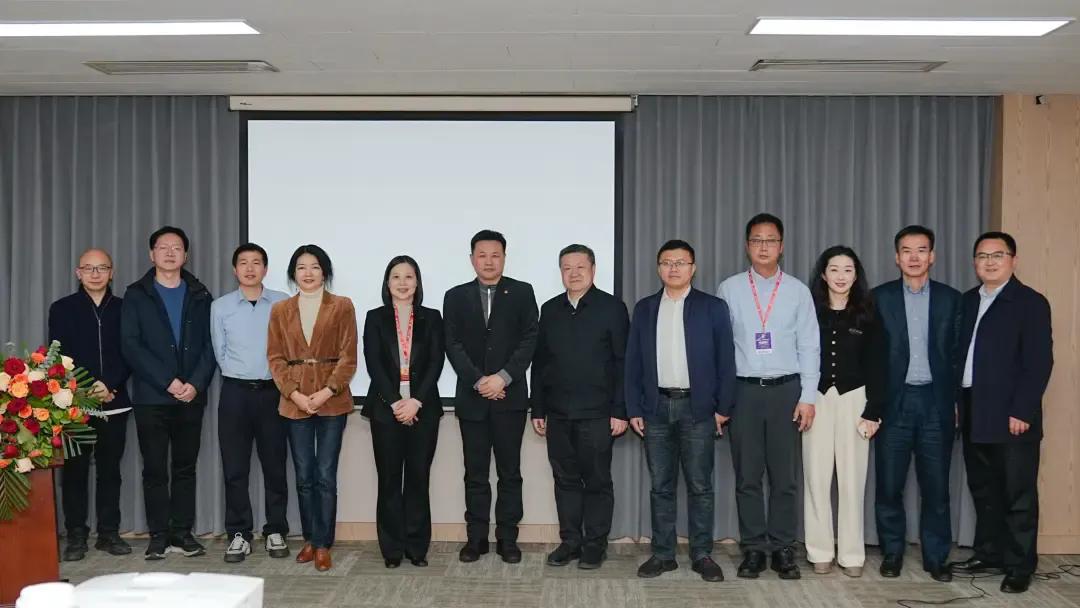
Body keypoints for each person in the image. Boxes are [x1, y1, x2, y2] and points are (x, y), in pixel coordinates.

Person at [948, 232, 1052, 594]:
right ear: (974, 262)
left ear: (1013, 260)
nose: (989, 262)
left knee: (1017, 493)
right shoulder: (967, 301)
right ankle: (990, 553)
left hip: (1012, 415)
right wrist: (957, 405)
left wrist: (1023, 410)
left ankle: (1020, 565)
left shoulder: (1030, 302)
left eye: (998, 255)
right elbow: (958, 357)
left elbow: (1038, 362)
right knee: (984, 489)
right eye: (982, 256)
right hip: (973, 408)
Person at [626, 239, 735, 582]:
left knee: (700, 486)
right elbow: (632, 362)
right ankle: (663, 554)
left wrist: (723, 407)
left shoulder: (712, 307)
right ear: (658, 268)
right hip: (655, 407)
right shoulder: (645, 309)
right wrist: (633, 407)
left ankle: (702, 554)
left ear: (693, 268)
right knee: (661, 485)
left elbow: (726, 361)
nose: (673, 268)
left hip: (698, 409)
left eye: (680, 262)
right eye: (667, 262)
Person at [718, 213, 819, 580]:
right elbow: (721, 349)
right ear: (747, 246)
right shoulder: (729, 289)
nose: (764, 247)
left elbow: (810, 345)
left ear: (782, 246)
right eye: (757, 240)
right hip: (743, 392)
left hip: (786, 391)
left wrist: (808, 396)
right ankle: (754, 549)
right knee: (747, 476)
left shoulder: (797, 291)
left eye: (770, 240)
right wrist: (721, 400)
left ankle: (782, 548)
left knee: (784, 477)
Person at [530, 244, 629, 570]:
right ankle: (570, 541)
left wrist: (620, 410)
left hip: (598, 414)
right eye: (566, 268)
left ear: (593, 270)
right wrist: (538, 408)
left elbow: (623, 363)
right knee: (565, 481)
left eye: (580, 267)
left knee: (597, 481)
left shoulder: (612, 308)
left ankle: (594, 545)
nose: (573, 274)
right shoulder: (550, 309)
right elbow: (540, 363)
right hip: (558, 413)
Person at [443, 229, 538, 564]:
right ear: (472, 259)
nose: (488, 261)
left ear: (504, 258)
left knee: (510, 473)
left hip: (510, 398)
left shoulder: (523, 292)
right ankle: (476, 539)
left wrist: (502, 378)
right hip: (472, 400)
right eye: (482, 255)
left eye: (495, 255)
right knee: (475, 474)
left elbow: (530, 339)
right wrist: (479, 381)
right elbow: (452, 344)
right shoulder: (455, 296)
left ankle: (508, 539)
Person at [121, 226, 216, 560]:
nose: (170, 252)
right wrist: (168, 382)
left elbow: (211, 345)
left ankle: (182, 533)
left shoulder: (200, 294)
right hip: (152, 398)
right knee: (155, 469)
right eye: (163, 247)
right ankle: (158, 535)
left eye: (177, 247)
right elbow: (131, 345)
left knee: (185, 468)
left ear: (185, 255)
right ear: (152, 254)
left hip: (191, 396)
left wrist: (195, 384)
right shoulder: (136, 294)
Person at [872, 225, 961, 582]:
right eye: (906, 251)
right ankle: (892, 553)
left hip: (935, 402)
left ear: (932, 256)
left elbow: (958, 356)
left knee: (936, 487)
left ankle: (936, 557)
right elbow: (870, 357)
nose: (913, 257)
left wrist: (957, 402)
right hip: (894, 402)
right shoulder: (879, 298)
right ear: (896, 257)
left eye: (921, 250)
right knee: (889, 485)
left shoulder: (951, 299)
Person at [268, 244, 358, 572]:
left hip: (332, 400)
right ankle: (309, 538)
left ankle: (323, 544)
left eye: (315, 267)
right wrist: (294, 395)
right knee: (304, 475)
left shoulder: (342, 306)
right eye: (301, 267)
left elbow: (349, 357)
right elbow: (275, 358)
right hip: (294, 403)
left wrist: (326, 392)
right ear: (293, 273)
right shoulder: (280, 309)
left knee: (325, 475)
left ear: (325, 272)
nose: (308, 273)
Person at [802, 245, 883, 577]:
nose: (840, 276)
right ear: (823, 274)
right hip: (816, 399)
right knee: (816, 478)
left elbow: (878, 364)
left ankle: (851, 555)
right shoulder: (809, 311)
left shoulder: (868, 313)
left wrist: (873, 411)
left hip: (855, 401)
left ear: (856, 275)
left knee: (852, 481)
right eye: (834, 269)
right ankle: (819, 550)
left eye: (848, 270)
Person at [49, 248, 132, 561]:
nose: (95, 274)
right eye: (89, 268)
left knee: (110, 472)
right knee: (75, 472)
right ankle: (76, 536)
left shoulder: (124, 308)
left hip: (115, 401)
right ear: (78, 272)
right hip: (75, 404)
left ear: (112, 273)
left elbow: (131, 352)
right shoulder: (62, 308)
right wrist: (86, 388)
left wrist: (110, 384)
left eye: (102, 268)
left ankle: (109, 534)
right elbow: (60, 356)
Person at [362, 255, 445, 569]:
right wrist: (397, 402)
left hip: (424, 409)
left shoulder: (432, 317)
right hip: (386, 410)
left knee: (418, 479)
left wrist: (416, 401)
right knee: (389, 480)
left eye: (408, 276)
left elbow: (436, 361)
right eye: (396, 276)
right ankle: (392, 549)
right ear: (387, 283)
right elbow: (374, 363)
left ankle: (417, 547)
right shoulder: (375, 318)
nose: (402, 283)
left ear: (417, 282)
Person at [210, 243, 290, 563]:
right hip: (235, 393)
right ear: (235, 269)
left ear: (265, 269)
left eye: (256, 262)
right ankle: (238, 534)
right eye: (243, 263)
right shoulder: (221, 307)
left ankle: (275, 530)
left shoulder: (282, 302)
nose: (250, 268)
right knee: (235, 468)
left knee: (275, 467)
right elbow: (220, 351)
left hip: (273, 393)